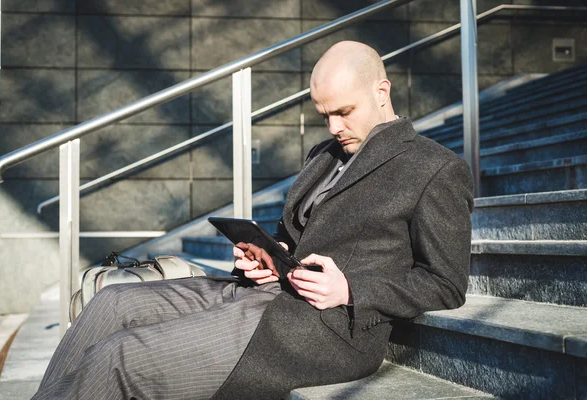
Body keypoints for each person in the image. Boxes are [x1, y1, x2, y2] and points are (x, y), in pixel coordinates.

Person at [32, 41, 474, 400]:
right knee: (110, 302)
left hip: (323, 327)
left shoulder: (434, 168)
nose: (334, 126)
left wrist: (351, 289)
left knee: (123, 358)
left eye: (344, 111)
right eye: (325, 116)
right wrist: (264, 257)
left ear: (382, 92)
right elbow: (292, 237)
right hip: (261, 294)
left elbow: (446, 283)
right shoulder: (323, 155)